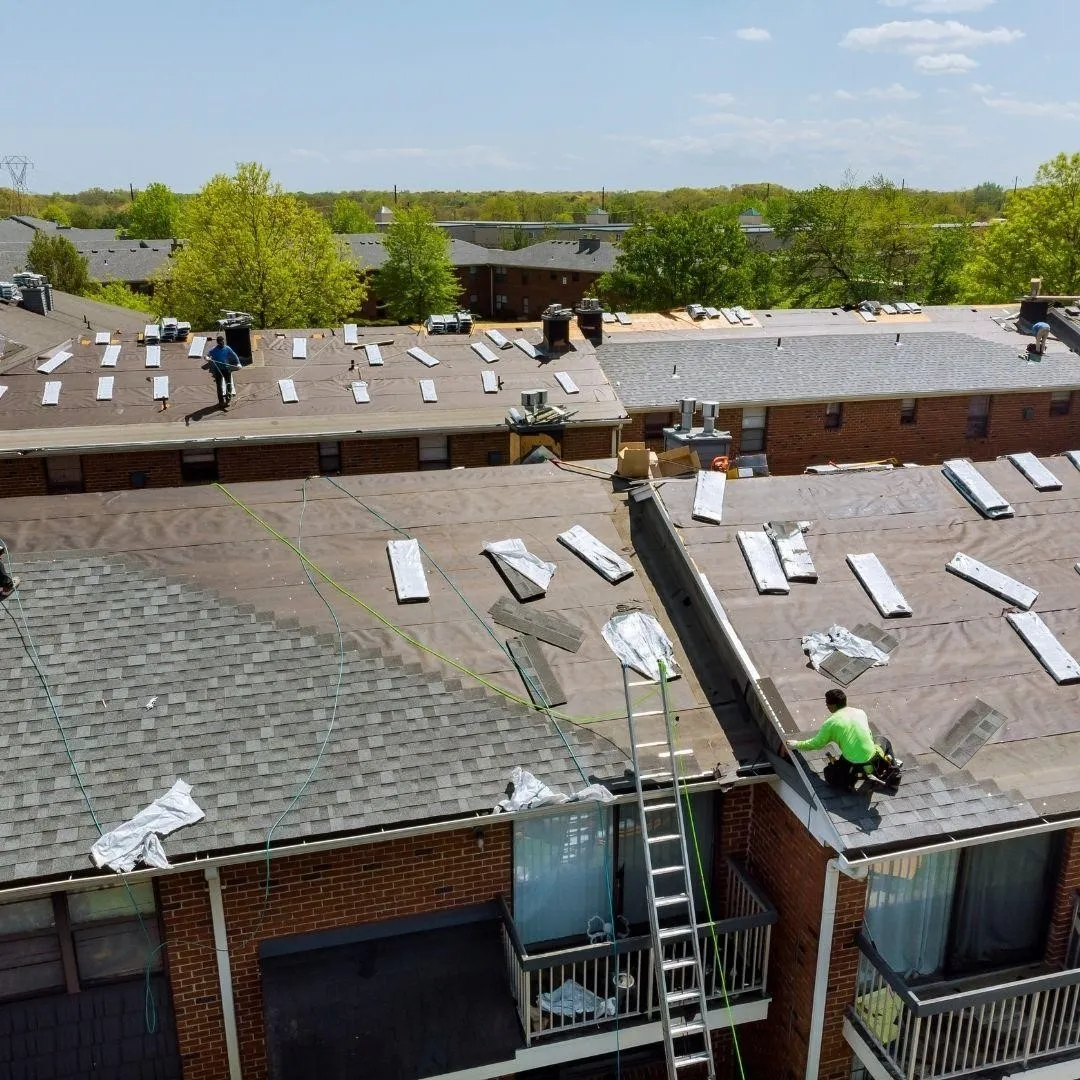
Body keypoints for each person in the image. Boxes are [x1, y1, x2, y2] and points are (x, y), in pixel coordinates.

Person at [787, 689, 898, 791]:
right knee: (883, 740)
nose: (826, 706)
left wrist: (796, 744)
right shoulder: (860, 712)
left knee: (831, 773)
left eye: (827, 703)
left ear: (833, 705)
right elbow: (869, 734)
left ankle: (851, 780)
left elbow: (816, 744)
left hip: (851, 762)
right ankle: (894, 776)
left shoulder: (831, 723)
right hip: (873, 758)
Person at [207, 335, 241, 409]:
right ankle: (221, 402)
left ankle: (228, 399)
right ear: (218, 343)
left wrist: (238, 363)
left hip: (226, 368)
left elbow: (234, 355)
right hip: (217, 370)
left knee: (228, 384)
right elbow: (208, 355)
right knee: (219, 386)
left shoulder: (227, 348)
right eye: (220, 343)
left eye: (223, 342)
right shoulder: (213, 350)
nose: (222, 344)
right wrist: (207, 358)